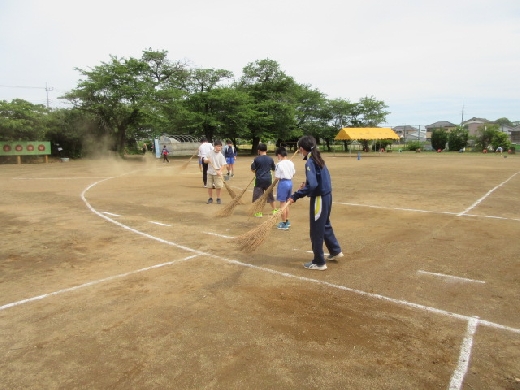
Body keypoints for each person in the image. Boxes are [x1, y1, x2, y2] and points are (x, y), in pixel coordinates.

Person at [288, 135, 343, 271]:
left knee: (316, 230)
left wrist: (296, 195)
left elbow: (313, 185)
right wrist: (306, 183)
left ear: (301, 149)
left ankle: (319, 262)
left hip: (319, 199)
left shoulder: (311, 162)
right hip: (327, 196)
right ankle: (335, 250)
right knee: (324, 225)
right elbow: (317, 180)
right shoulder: (319, 159)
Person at [250, 143, 276, 217]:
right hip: (268, 180)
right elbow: (274, 169)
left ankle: (259, 212)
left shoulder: (256, 159)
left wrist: (257, 171)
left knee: (258, 197)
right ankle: (274, 210)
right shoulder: (270, 159)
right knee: (270, 195)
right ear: (266, 150)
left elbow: (252, 169)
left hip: (259, 180)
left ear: (258, 150)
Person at [274, 147, 295, 230]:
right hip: (290, 182)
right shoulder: (291, 163)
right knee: (286, 203)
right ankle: (287, 220)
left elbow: (277, 177)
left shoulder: (279, 164)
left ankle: (284, 223)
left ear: (279, 155)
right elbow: (293, 174)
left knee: (282, 204)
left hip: (283, 183)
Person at [204, 140, 226, 204]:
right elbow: (204, 160)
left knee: (218, 186)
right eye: (218, 146)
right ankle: (210, 198)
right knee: (209, 186)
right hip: (210, 172)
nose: (219, 148)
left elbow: (223, 165)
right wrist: (207, 160)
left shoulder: (221, 155)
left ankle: (218, 198)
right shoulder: (209, 153)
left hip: (218, 172)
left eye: (220, 146)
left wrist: (220, 171)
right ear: (214, 146)